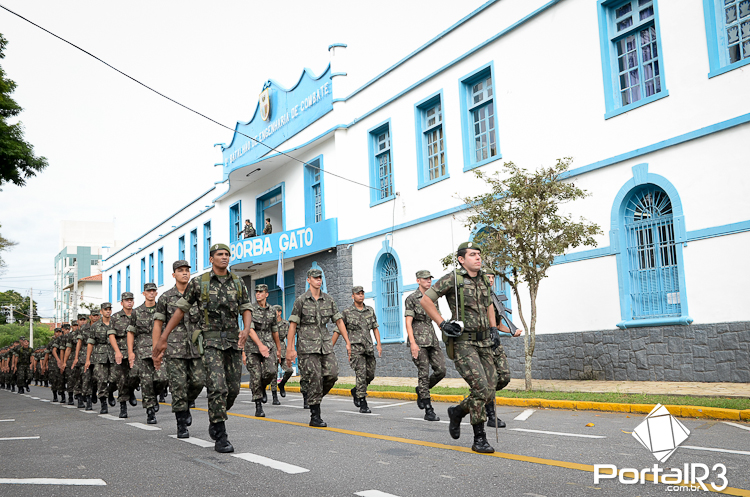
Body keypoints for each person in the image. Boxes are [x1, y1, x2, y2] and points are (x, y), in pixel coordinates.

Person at [155, 247, 265, 453]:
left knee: (233, 389)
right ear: (211, 259)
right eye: (220, 255)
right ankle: (220, 433)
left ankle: (216, 417)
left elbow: (246, 308)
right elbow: (181, 310)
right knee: (217, 387)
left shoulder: (237, 282)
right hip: (210, 341)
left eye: (227, 255)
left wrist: (246, 329)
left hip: (232, 341)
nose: (224, 257)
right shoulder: (199, 283)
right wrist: (163, 337)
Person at [420, 241, 500, 454]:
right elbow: (426, 301)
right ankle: (479, 438)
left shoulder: (483, 279)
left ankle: (457, 411)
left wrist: (494, 329)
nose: (478, 257)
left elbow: (489, 305)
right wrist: (442, 323)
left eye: (479, 254)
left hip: (484, 341)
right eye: (472, 254)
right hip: (464, 342)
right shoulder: (453, 279)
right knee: (480, 388)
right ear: (461, 259)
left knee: (490, 388)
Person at [286, 267, 351, 427]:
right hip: (307, 346)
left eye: (320, 277)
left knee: (332, 374)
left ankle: (312, 398)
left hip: (325, 345)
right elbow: (293, 325)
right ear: (308, 280)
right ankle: (315, 415)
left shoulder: (328, 300)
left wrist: (348, 342)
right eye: (315, 278)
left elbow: (339, 321)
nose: (318, 280)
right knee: (315, 377)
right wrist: (290, 348)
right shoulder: (301, 301)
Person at [152, 261, 206, 439]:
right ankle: (181, 423)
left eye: (187, 271)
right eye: (180, 270)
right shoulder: (166, 298)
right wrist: (156, 349)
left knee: (199, 381)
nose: (184, 273)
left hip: (196, 346)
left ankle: (188, 402)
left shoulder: (198, 296)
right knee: (178, 385)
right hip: (174, 348)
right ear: (173, 274)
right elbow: (158, 324)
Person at [405, 270, 446, 421]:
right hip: (418, 340)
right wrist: (413, 343)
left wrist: (447, 330)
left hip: (432, 339)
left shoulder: (433, 298)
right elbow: (408, 322)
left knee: (441, 370)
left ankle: (422, 390)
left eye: (430, 279)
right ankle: (429, 410)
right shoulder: (411, 298)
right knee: (423, 372)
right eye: (425, 279)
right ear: (418, 281)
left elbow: (437, 318)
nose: (429, 281)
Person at [483, 271, 521, 428]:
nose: (491, 280)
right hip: (482, 344)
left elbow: (498, 325)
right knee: (490, 379)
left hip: (495, 342)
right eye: (488, 277)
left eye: (493, 278)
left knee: (504, 376)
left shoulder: (494, 298)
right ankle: (491, 416)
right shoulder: (477, 297)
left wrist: (512, 330)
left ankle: (479, 396)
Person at [337, 286, 381, 413]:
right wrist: (339, 344)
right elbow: (339, 329)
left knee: (370, 374)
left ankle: (356, 390)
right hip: (356, 349)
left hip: (368, 348)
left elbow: (375, 328)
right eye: (358, 293)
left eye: (362, 293)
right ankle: (363, 402)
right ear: (353, 296)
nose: (360, 295)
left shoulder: (370, 310)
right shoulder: (347, 312)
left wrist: (378, 344)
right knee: (361, 374)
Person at [128, 282, 167, 424]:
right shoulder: (136, 312)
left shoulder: (162, 310)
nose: (151, 293)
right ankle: (150, 411)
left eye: (153, 291)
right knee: (146, 382)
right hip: (142, 351)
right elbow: (131, 332)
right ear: (144, 293)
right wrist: (131, 352)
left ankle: (154, 396)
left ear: (156, 293)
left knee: (162, 378)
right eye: (148, 291)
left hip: (160, 349)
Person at [245, 284, 281, 417]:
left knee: (271, 371)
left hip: (269, 345)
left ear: (267, 294)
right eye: (257, 292)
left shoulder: (272, 310)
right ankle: (258, 406)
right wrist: (260, 345)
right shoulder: (250, 309)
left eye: (261, 292)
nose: (258, 294)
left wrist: (278, 349)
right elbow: (250, 329)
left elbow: (275, 330)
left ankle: (262, 387)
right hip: (253, 347)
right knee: (256, 375)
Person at [109, 292, 140, 418]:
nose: (129, 302)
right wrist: (117, 351)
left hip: (136, 351)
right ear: (122, 303)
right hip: (121, 351)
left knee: (136, 375)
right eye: (127, 300)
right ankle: (123, 406)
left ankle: (131, 389)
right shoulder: (115, 317)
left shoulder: (138, 315)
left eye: (131, 300)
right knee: (121, 379)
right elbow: (111, 335)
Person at [86, 302, 116, 414]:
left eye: (109, 309)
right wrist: (88, 359)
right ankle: (103, 403)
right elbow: (91, 343)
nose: (108, 311)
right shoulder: (95, 326)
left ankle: (110, 392)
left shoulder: (115, 323)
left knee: (115, 379)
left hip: (113, 355)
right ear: (101, 311)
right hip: (99, 356)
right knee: (102, 380)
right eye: (105, 309)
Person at [272, 305, 294, 397]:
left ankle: (281, 384)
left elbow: (290, 337)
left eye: (275, 312)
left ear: (280, 312)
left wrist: (291, 350)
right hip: (272, 349)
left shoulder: (285, 324)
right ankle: (274, 396)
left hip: (283, 351)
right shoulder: (270, 323)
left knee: (289, 370)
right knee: (273, 373)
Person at [80, 309, 100, 409]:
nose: (96, 317)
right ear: (90, 316)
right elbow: (80, 342)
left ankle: (94, 392)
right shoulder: (84, 328)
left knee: (97, 378)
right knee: (86, 378)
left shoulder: (102, 326)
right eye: (94, 315)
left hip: (98, 355)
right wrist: (76, 357)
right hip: (85, 355)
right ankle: (88, 400)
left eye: (97, 315)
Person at [71, 315, 89, 408]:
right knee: (78, 379)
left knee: (87, 378)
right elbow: (68, 348)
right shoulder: (73, 334)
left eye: (84, 320)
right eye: (81, 320)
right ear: (77, 321)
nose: (82, 322)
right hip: (76, 359)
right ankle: (79, 397)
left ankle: (86, 395)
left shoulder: (89, 331)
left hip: (88, 358)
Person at [45, 328, 63, 401]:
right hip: (53, 363)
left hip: (62, 361)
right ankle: (55, 395)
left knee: (61, 379)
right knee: (53, 379)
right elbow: (47, 354)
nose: (58, 333)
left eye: (60, 332)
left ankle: (62, 396)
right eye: (57, 332)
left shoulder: (64, 340)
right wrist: (44, 365)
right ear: (54, 333)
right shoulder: (51, 343)